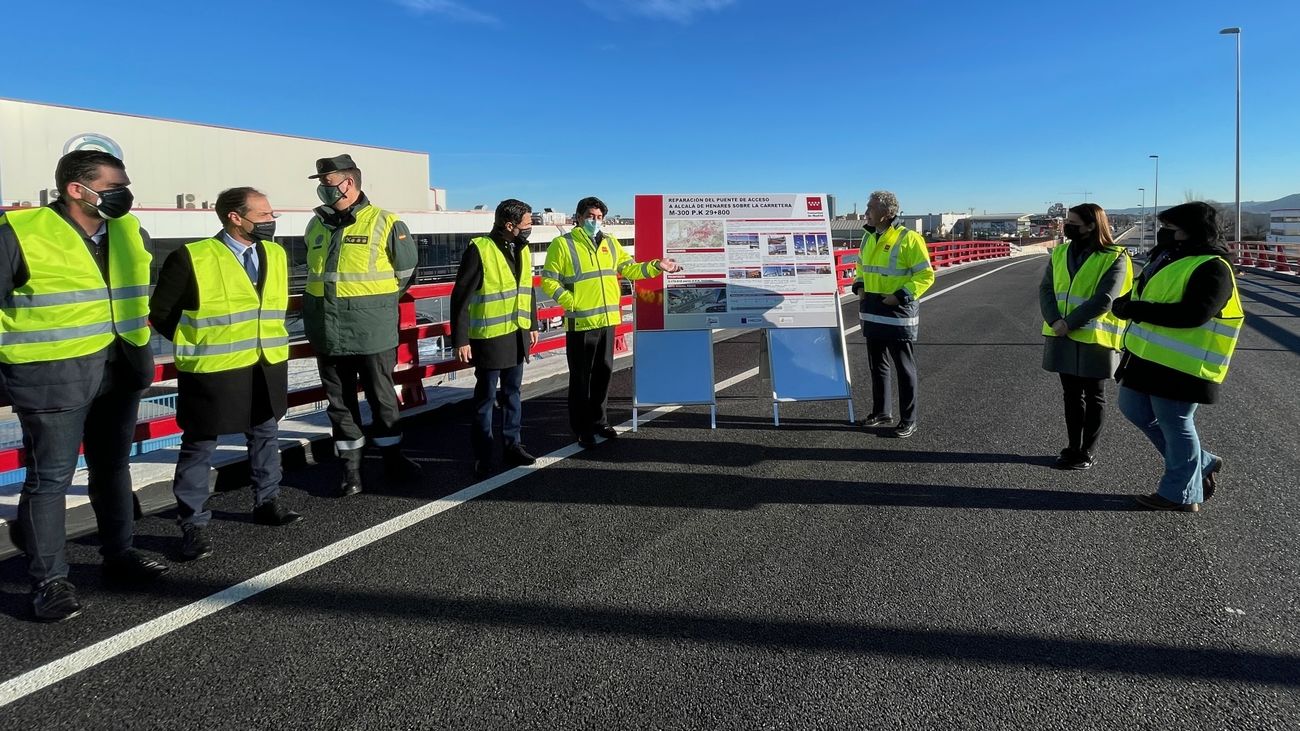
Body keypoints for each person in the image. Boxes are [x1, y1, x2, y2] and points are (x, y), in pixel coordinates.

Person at [0, 150, 167, 622]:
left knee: (112, 465)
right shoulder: (20, 232)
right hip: (51, 376)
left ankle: (120, 553)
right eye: (115, 185)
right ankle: (49, 582)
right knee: (50, 478)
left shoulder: (131, 231)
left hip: (121, 366)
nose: (125, 194)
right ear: (77, 189)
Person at [149, 188, 304, 560]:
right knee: (200, 445)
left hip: (265, 363)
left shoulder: (277, 254)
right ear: (235, 217)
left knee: (266, 433)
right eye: (263, 214)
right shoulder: (192, 257)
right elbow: (162, 312)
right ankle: (193, 524)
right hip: (213, 368)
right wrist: (199, 343)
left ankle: (268, 502)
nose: (271, 220)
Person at [304, 154, 422, 496]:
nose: (324, 192)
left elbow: (406, 273)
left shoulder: (385, 222)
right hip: (327, 328)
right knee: (338, 402)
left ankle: (392, 459)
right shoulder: (316, 225)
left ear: (349, 183)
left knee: (382, 397)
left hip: (372, 329)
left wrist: (374, 303)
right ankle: (351, 470)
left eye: (328, 185)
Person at [1113, 202, 1241, 513]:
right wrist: (1127, 301)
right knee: (1133, 409)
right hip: (1147, 358)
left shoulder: (1213, 267)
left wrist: (1136, 310)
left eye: (1169, 227)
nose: (1163, 232)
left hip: (1183, 366)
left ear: (1191, 230)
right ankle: (1202, 461)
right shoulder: (1167, 257)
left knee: (1176, 424)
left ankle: (1180, 494)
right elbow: (1152, 292)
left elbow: (1195, 314)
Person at [541, 196, 681, 447]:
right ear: (579, 218)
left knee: (603, 374)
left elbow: (630, 269)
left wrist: (657, 266)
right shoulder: (562, 245)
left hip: (607, 320)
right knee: (581, 379)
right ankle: (582, 428)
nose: (594, 221)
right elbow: (549, 280)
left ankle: (599, 421)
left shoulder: (611, 243)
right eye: (590, 217)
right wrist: (571, 301)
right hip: (581, 322)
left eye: (598, 217)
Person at [1038, 203, 1132, 470]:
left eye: (1073, 222)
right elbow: (1046, 288)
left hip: (1095, 338)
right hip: (1061, 333)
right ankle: (1071, 446)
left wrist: (1069, 323)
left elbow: (1106, 298)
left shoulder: (1115, 256)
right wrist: (1055, 320)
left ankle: (1087, 451)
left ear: (1091, 225)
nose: (1067, 226)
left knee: (1094, 395)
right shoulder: (1060, 252)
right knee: (1070, 394)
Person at [450, 199, 540, 477]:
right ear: (509, 225)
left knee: (513, 394)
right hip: (489, 337)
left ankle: (513, 444)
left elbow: (528, 288)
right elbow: (461, 296)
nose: (530, 228)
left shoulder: (523, 249)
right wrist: (460, 339)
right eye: (526, 224)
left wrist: (533, 323)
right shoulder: (481, 249)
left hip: (517, 334)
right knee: (486, 399)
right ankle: (484, 453)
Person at [851, 190, 935, 438]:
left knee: (904, 368)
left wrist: (900, 295)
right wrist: (859, 286)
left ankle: (908, 419)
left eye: (871, 207)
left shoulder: (909, 238)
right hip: (872, 310)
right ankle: (881, 412)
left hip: (897, 311)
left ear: (887, 213)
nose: (866, 211)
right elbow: (860, 266)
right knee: (877, 366)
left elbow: (925, 275)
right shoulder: (868, 237)